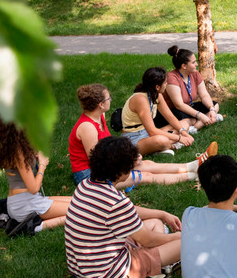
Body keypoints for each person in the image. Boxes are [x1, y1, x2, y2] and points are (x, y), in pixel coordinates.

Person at [65, 136, 183, 278]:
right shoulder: (116, 202)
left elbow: (128, 212)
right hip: (109, 274)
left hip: (82, 267)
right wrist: (177, 237)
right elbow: (149, 240)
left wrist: (161, 214)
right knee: (184, 243)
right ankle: (159, 266)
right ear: (121, 171)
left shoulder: (85, 186)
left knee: (155, 223)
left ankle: (158, 262)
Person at [68, 83, 211, 189]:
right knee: (145, 176)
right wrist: (124, 162)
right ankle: (195, 175)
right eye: (108, 98)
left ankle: (192, 165)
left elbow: (108, 149)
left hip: (103, 166)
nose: (111, 100)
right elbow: (96, 162)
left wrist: (129, 157)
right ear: (100, 104)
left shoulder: (100, 115)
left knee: (147, 164)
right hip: (90, 176)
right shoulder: (87, 127)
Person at [0, 117, 72, 233]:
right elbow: (34, 188)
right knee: (79, 211)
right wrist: (42, 165)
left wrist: (32, 155)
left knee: (77, 201)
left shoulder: (12, 146)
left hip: (21, 201)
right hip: (25, 205)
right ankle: (34, 227)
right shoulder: (18, 152)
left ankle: (32, 223)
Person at [120, 67, 196, 155]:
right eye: (165, 82)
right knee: (161, 140)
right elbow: (152, 131)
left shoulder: (157, 95)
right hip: (133, 138)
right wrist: (179, 138)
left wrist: (183, 132)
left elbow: (170, 117)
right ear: (157, 87)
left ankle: (162, 147)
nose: (167, 84)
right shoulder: (140, 99)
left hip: (147, 134)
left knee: (184, 124)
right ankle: (168, 146)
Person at [160, 45, 223, 133]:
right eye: (193, 63)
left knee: (215, 105)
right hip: (174, 110)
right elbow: (179, 105)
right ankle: (199, 124)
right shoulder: (172, 78)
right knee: (189, 120)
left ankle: (198, 124)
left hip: (189, 106)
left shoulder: (195, 74)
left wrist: (211, 109)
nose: (197, 64)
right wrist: (200, 115)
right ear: (184, 66)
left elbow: (204, 95)